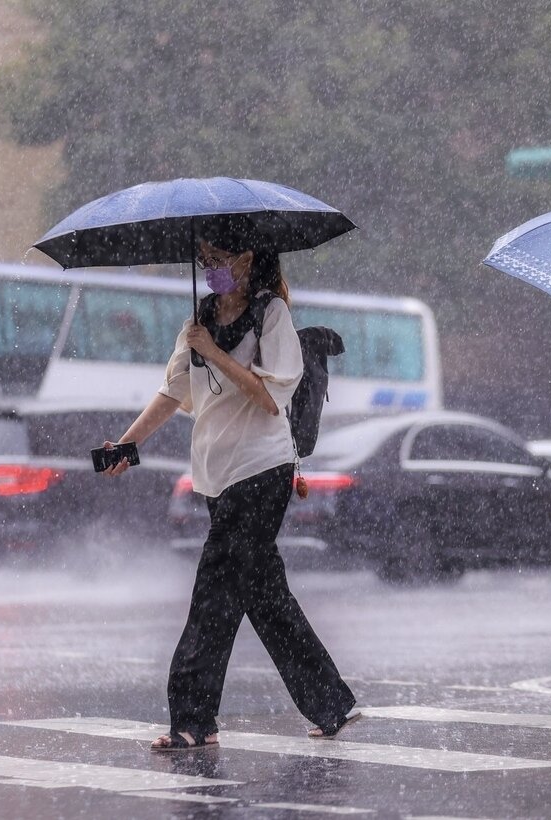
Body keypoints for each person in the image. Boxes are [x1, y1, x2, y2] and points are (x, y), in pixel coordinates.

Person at [104, 229, 359, 751]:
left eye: (218, 258)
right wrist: (126, 447)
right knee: (265, 596)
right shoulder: (199, 320)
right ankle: (331, 702)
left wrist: (212, 353)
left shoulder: (272, 316)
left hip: (262, 471)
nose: (210, 266)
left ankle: (192, 720)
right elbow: (173, 391)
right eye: (204, 258)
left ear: (245, 259)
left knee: (213, 592)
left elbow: (270, 396)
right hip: (217, 475)